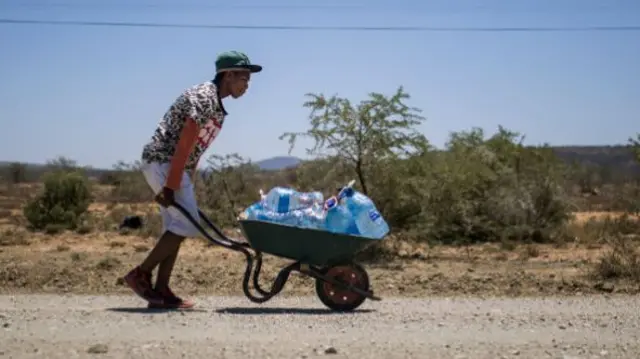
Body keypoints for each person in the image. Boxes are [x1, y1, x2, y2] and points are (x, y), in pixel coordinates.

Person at [123, 51, 263, 309]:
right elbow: (186, 141)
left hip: (173, 166)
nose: (247, 84)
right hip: (164, 161)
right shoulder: (204, 96)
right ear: (228, 74)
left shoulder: (216, 103)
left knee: (176, 226)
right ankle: (140, 274)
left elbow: (197, 147)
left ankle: (162, 290)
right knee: (186, 225)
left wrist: (188, 178)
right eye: (244, 77)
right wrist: (171, 185)